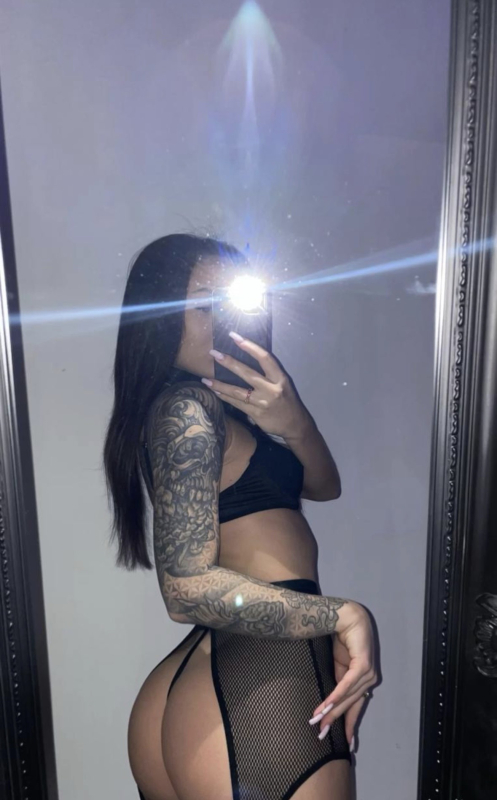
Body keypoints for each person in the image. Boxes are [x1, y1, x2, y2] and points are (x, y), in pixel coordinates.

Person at [103, 233, 377, 800]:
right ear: (159, 318)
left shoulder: (226, 411)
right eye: (206, 305)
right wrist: (341, 616)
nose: (225, 321)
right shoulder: (190, 407)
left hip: (214, 669)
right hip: (261, 674)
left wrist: (293, 421)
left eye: (234, 303)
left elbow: (325, 485)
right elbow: (185, 590)